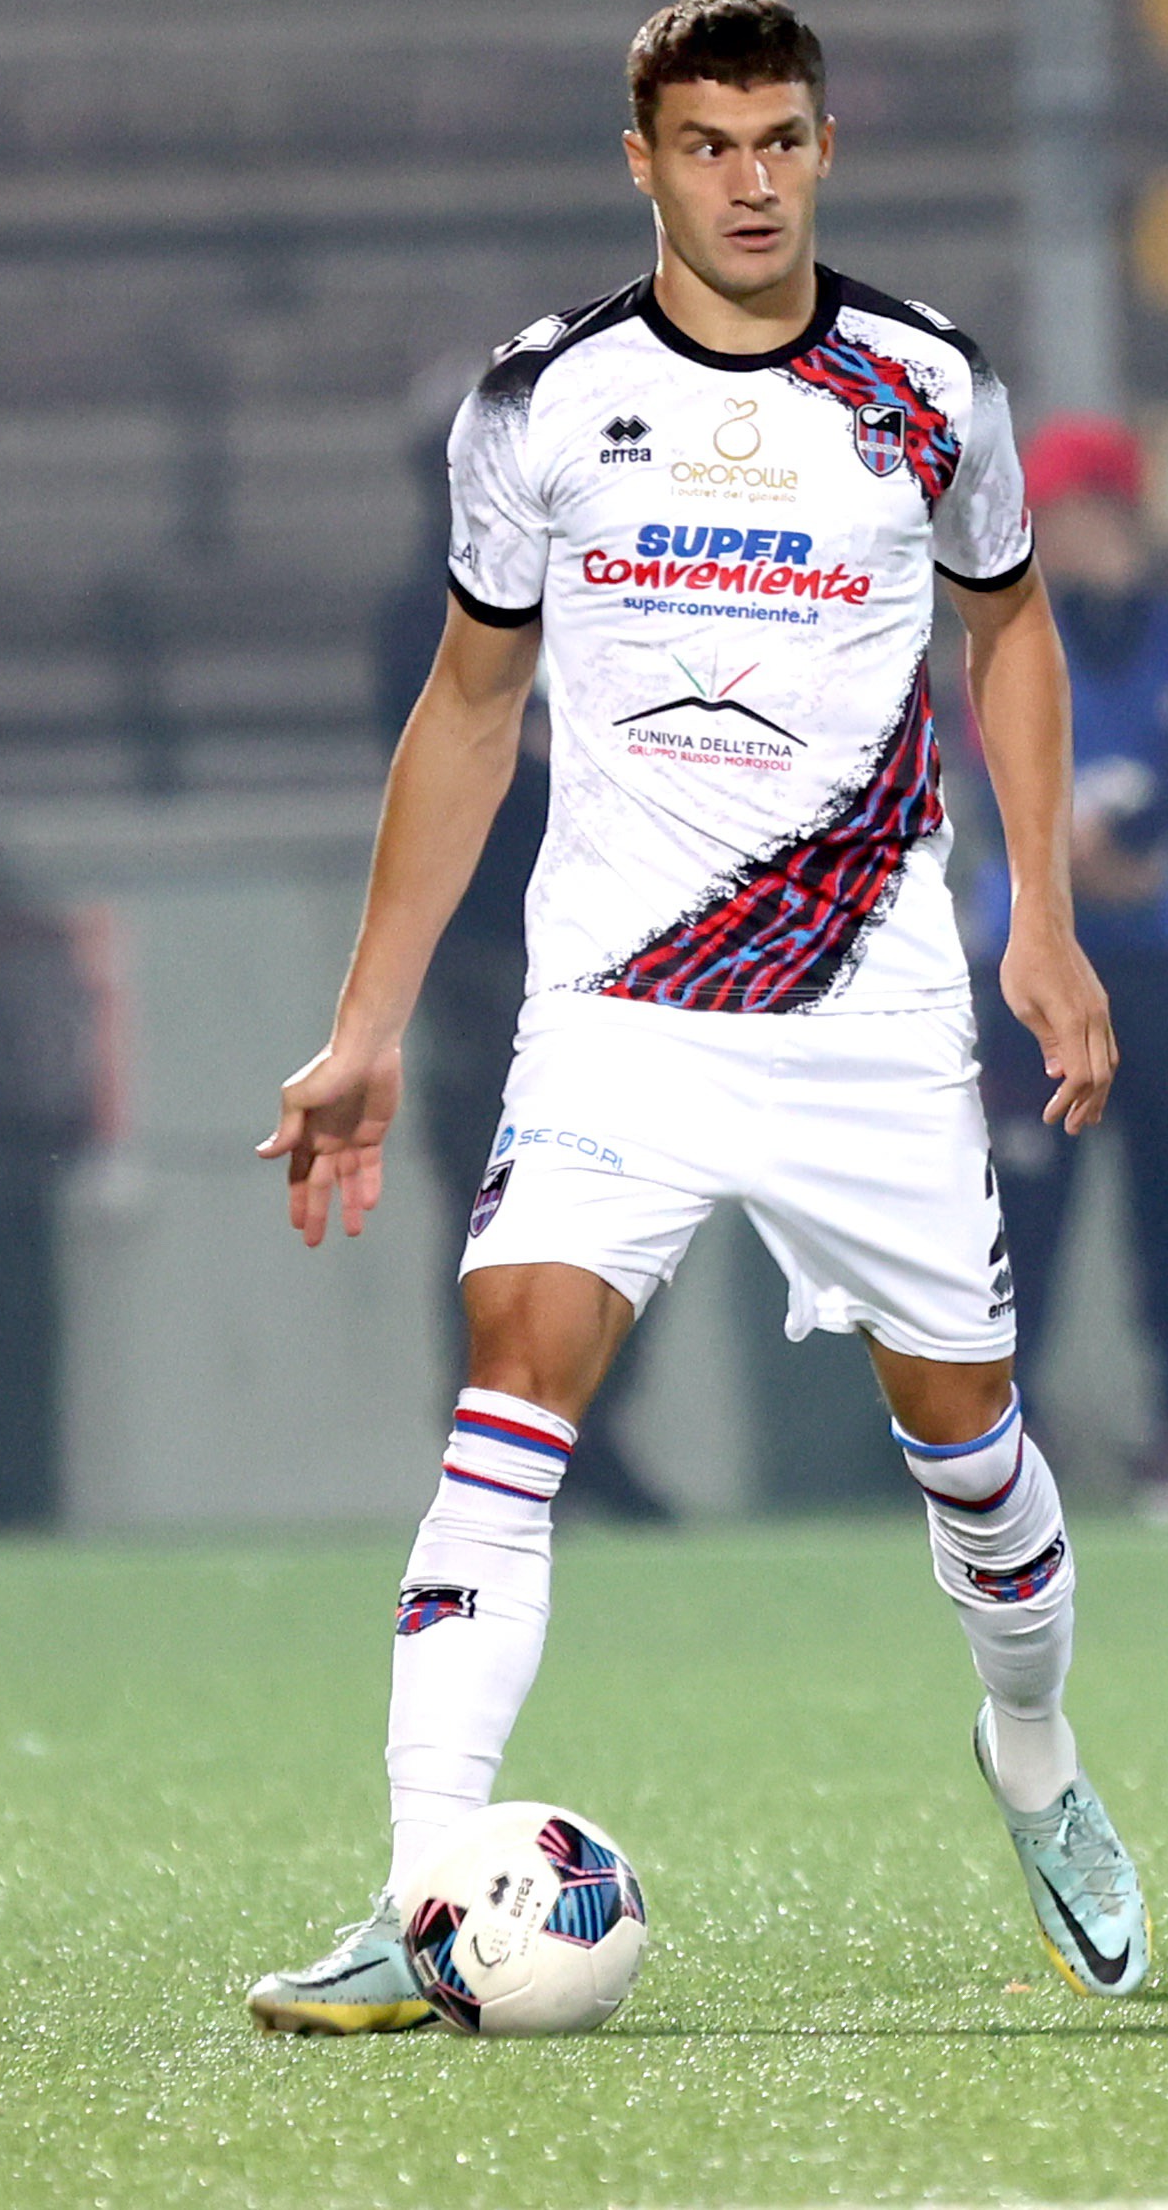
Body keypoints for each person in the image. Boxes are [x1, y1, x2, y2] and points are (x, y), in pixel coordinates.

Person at [244, 0, 1146, 2030]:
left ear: (824, 149)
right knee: (510, 1385)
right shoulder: (541, 402)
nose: (751, 182)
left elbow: (1008, 632)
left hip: (865, 1012)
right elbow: (469, 706)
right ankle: (418, 1883)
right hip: (618, 1010)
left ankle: (1030, 1751)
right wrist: (365, 1022)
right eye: (709, 145)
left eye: (781, 141)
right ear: (639, 162)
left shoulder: (928, 384)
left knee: (973, 1453)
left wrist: (1038, 916)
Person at [369, 408, 675, 1522]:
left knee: (641, 1189)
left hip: (619, 936)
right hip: (493, 947)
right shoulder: (427, 611)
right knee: (497, 1194)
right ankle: (502, 1427)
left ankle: (584, 1420)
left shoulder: (615, 587)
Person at [963, 414, 1168, 1515]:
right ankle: (997, 1439)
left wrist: (1129, 843)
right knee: (1019, 1216)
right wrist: (1077, 864)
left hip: (1161, 968)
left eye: (1070, 510)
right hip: (1037, 974)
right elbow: (982, 770)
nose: (1053, 532)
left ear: (1116, 513)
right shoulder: (1002, 631)